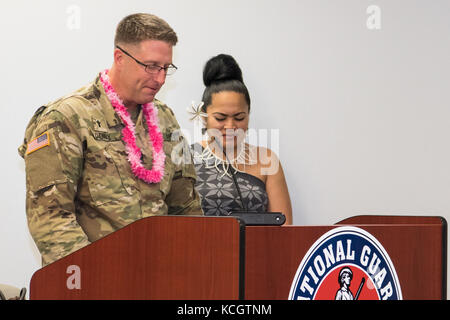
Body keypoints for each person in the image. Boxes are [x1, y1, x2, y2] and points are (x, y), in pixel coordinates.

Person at [18, 13, 202, 266]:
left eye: (166, 68)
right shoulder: (66, 117)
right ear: (120, 58)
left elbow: (185, 209)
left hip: (160, 276)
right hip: (96, 279)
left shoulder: (165, 119)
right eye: (151, 66)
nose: (159, 78)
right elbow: (50, 217)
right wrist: (96, 279)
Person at [190, 54, 293, 225]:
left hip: (256, 250)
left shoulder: (266, 161)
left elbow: (286, 230)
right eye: (220, 118)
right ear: (203, 117)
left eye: (239, 118)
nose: (230, 126)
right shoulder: (187, 158)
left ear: (248, 116)